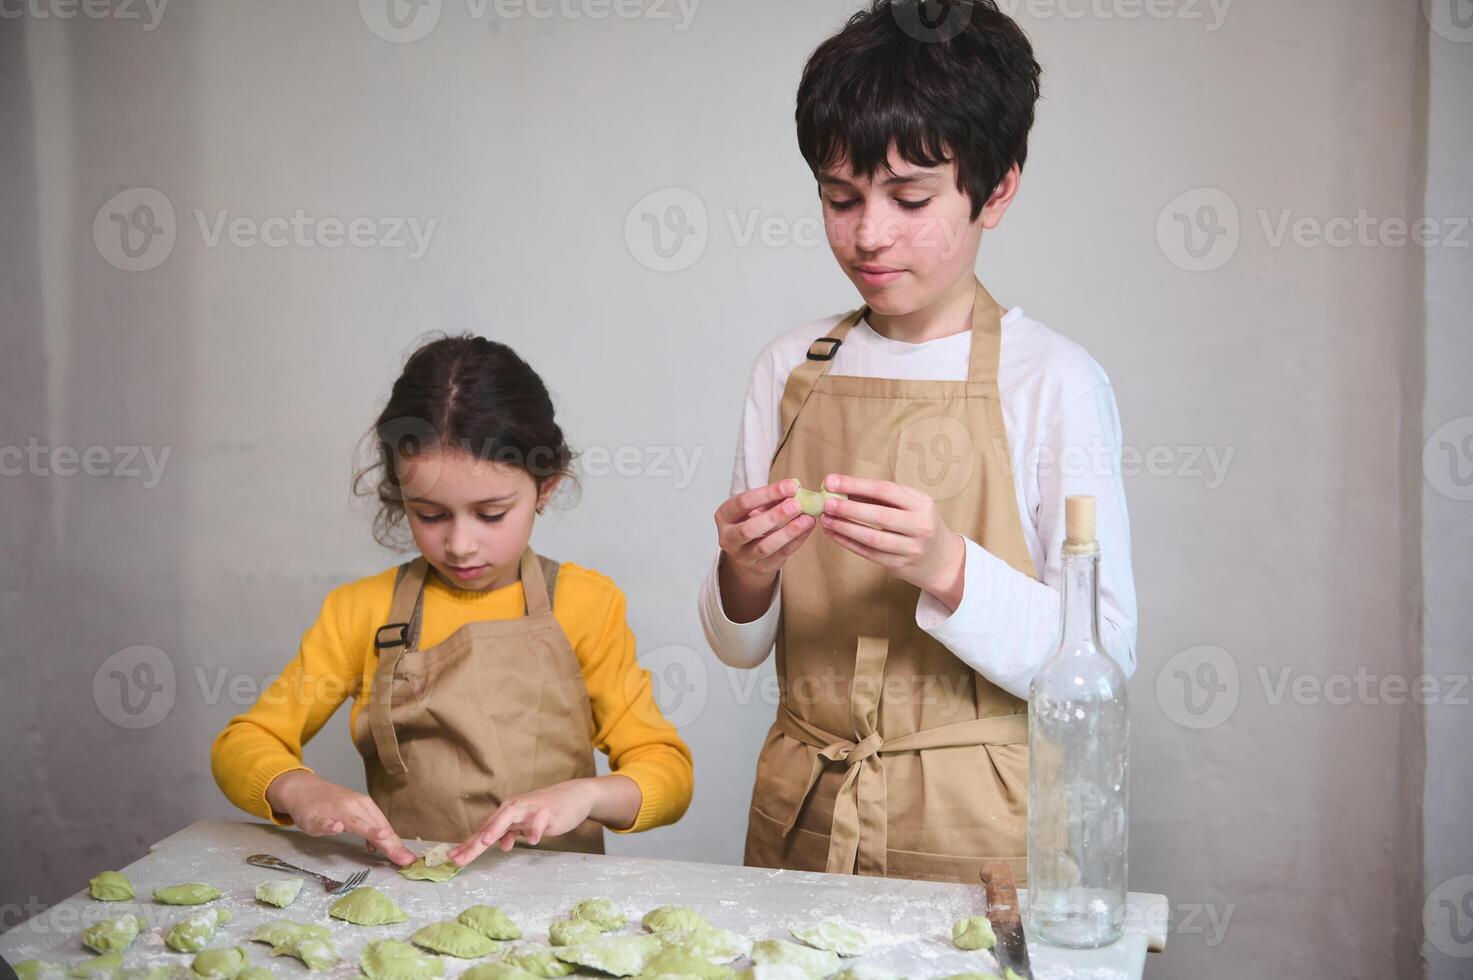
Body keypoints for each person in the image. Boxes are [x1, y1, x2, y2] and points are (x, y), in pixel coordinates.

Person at [699, 0, 1137, 884]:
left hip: (981, 832)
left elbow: (1105, 662)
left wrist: (948, 565)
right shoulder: (790, 368)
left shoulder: (1053, 381)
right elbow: (741, 644)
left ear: (998, 189)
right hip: (803, 821)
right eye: (839, 197)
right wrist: (743, 572)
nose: (868, 234)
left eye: (908, 198)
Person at [213, 334, 693, 868]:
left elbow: (667, 772)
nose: (460, 544)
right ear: (400, 493)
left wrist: (588, 795)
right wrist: (300, 791)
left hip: (555, 900)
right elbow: (243, 743)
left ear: (547, 488)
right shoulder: (361, 611)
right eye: (431, 515)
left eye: (491, 515)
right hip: (409, 899)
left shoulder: (586, 603)